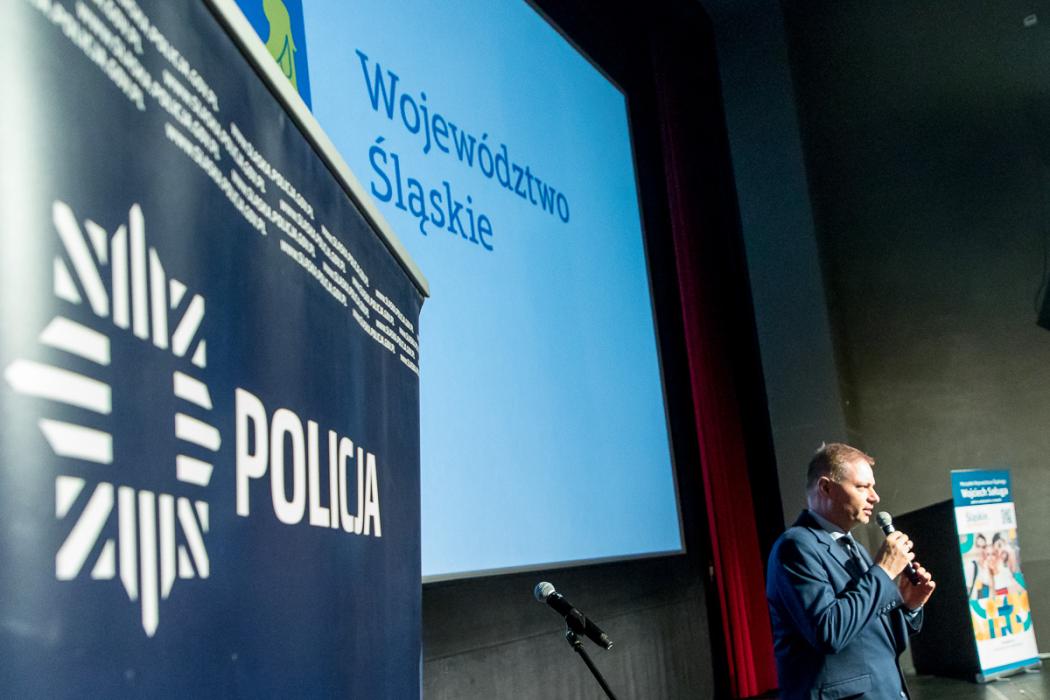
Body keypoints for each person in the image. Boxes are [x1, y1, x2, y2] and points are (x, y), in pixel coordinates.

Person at [766, 443, 937, 699]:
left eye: (872, 487)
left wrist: (908, 606)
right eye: (862, 486)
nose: (874, 497)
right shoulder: (795, 547)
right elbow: (829, 632)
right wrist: (883, 571)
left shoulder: (854, 548)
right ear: (826, 488)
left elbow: (868, 630)